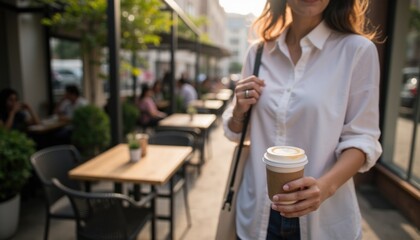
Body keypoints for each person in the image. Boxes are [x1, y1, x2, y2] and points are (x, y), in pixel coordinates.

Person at [222, 1, 382, 239]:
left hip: (323, 217)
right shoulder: (257, 53)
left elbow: (363, 138)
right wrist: (239, 111)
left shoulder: (356, 51)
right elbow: (238, 132)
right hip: (257, 212)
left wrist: (324, 187)